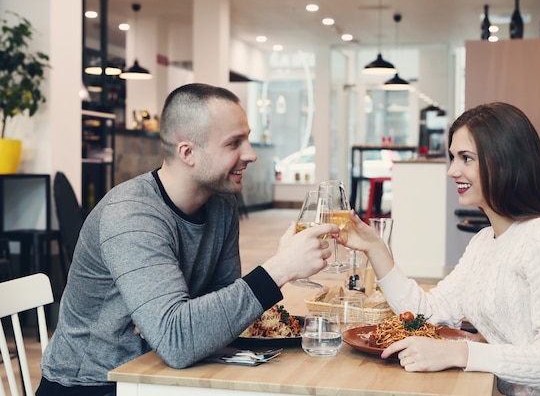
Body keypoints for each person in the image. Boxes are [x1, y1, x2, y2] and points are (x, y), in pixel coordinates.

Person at [36, 83, 338, 396]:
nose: (251, 154)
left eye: (247, 138)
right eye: (234, 143)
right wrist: (280, 269)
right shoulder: (131, 215)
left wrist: (181, 320)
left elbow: (219, 316)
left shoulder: (220, 204)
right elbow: (178, 341)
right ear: (188, 153)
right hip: (95, 384)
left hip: (163, 374)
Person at [340, 102, 540, 395]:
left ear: (504, 161)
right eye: (452, 158)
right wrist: (374, 247)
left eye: (466, 158)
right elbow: (427, 314)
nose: (452, 170)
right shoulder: (484, 241)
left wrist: (459, 353)